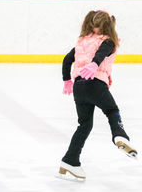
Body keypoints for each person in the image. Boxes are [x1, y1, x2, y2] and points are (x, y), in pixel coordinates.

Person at [58, 10, 137, 181]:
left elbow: (66, 60)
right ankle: (120, 135)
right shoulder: (108, 41)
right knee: (111, 110)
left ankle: (70, 161)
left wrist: (67, 81)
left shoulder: (81, 42)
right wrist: (94, 65)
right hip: (95, 83)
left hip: (79, 87)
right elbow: (101, 53)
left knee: (84, 124)